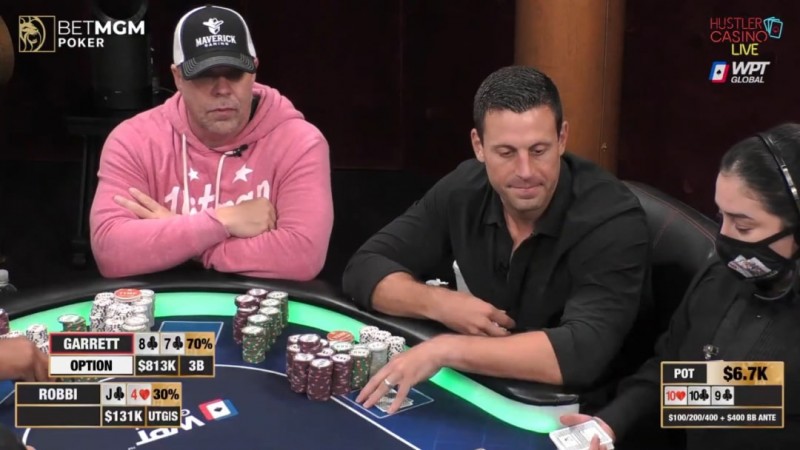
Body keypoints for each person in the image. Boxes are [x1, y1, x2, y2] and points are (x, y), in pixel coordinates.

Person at [343, 66, 651, 412]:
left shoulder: (612, 218)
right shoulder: (464, 188)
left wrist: (445, 349)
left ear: (562, 138)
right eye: (506, 153)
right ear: (479, 146)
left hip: (589, 413)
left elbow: (582, 353)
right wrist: (441, 304)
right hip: (495, 394)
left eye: (539, 150)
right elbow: (364, 268)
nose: (525, 171)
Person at [561, 123, 800, 449]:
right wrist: (611, 423)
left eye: (743, 226)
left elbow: (740, 394)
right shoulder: (721, 277)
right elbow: (682, 378)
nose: (724, 239)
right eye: (722, 217)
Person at [90, 5, 333, 280]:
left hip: (261, 302)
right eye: (204, 74)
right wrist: (221, 221)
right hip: (164, 300)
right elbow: (111, 251)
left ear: (253, 71)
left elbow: (302, 256)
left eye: (235, 73)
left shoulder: (300, 142)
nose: (222, 89)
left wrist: (186, 243)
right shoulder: (133, 140)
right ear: (178, 77)